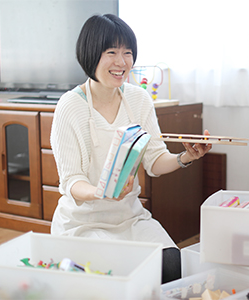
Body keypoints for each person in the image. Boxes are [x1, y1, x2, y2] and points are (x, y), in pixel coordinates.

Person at [50, 13, 212, 284]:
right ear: (90, 54)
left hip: (129, 218)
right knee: (119, 276)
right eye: (111, 52)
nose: (121, 62)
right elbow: (71, 181)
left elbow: (154, 159)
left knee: (171, 263)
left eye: (127, 52)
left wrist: (185, 157)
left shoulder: (138, 99)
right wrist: (100, 192)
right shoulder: (70, 106)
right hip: (84, 223)